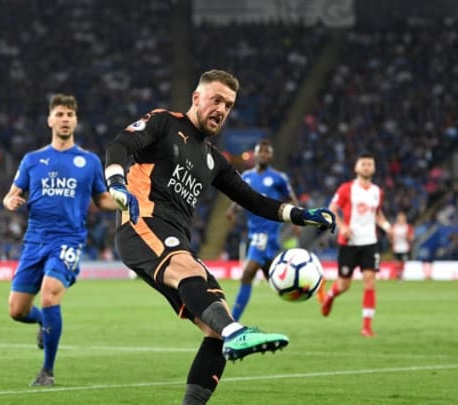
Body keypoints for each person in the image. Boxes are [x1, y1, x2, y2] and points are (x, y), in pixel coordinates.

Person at [103, 69, 335, 405]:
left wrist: (301, 214)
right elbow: (119, 145)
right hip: (142, 224)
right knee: (192, 275)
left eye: (228, 105)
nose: (221, 109)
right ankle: (236, 333)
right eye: (216, 100)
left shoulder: (213, 159)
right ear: (197, 98)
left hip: (176, 238)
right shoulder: (164, 122)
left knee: (216, 320)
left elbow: (253, 200)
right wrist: (116, 183)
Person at [2, 94, 119, 386]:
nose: (65, 118)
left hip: (68, 239)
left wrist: (127, 202)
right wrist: (11, 202)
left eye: (70, 114)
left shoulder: (89, 161)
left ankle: (47, 372)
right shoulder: (32, 160)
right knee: (17, 311)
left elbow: (102, 199)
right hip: (35, 241)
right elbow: (11, 195)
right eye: (60, 114)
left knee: (50, 293)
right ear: (50, 120)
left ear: (75, 121)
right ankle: (43, 321)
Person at [318, 152, 392, 337]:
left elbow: (377, 214)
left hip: (370, 242)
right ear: (356, 167)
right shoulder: (346, 189)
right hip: (349, 243)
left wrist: (387, 226)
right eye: (364, 164)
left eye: (370, 164)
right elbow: (331, 210)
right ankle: (329, 296)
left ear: (373, 168)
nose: (367, 167)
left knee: (369, 282)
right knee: (344, 285)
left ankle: (366, 327)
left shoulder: (377, 191)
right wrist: (342, 227)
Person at [225, 139, 300, 321]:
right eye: (261, 151)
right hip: (254, 231)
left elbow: (292, 199)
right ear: (256, 154)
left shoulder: (278, 178)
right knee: (274, 279)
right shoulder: (247, 176)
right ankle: (307, 287)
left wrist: (296, 220)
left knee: (247, 274)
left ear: (271, 156)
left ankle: (232, 321)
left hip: (268, 231)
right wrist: (232, 209)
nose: (264, 154)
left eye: (267, 152)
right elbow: (240, 196)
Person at [389, 211, 414, 280]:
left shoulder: (408, 227)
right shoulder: (394, 227)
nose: (400, 219)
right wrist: (391, 237)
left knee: (403, 262)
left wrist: (406, 236)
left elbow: (411, 238)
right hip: (396, 248)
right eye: (399, 218)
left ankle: (401, 275)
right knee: (396, 263)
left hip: (405, 248)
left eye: (402, 218)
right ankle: (398, 275)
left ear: (404, 219)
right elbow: (390, 237)